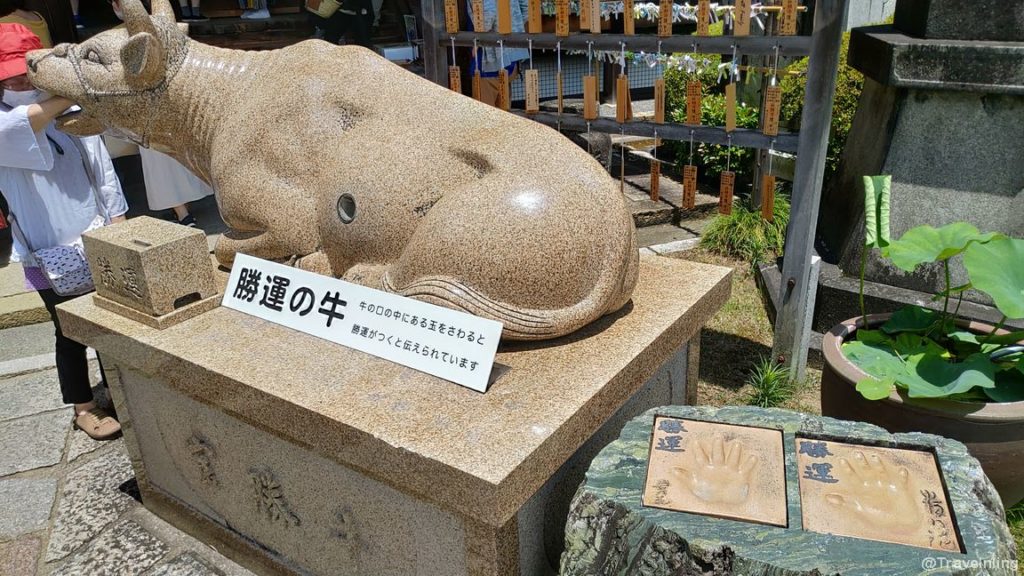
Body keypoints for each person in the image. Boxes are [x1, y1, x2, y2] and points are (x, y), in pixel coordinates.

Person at [0, 24, 128, 440]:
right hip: (34, 251)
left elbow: (100, 164)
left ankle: (115, 383)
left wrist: (117, 220)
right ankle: (82, 405)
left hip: (93, 231)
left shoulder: (68, 108)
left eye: (26, 68)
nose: (18, 78)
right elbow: (22, 126)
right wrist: (71, 92)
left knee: (112, 315)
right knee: (65, 327)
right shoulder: (20, 116)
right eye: (9, 71)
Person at [466, 0, 529, 107]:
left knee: (485, 116)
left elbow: (489, 11)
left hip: (489, 59)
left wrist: (478, 39)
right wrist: (514, 28)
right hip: (509, 54)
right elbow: (526, 6)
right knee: (503, 112)